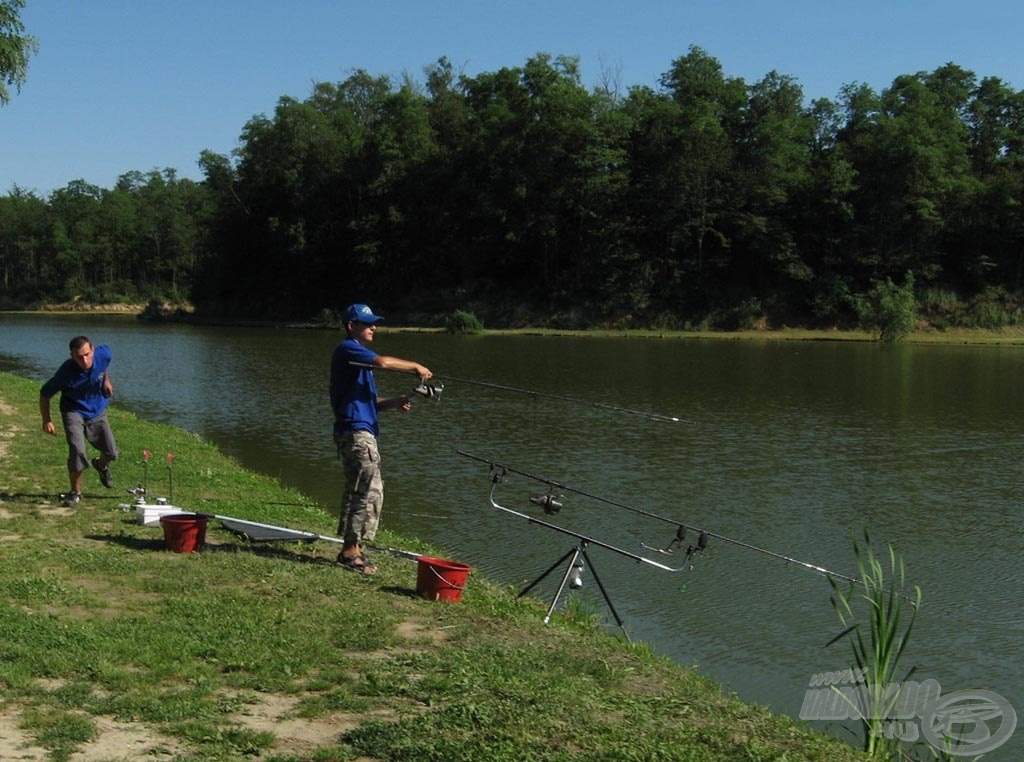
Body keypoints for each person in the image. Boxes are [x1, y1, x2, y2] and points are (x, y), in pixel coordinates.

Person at [330, 303, 432, 574]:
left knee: (362, 490)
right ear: (352, 326)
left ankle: (353, 548)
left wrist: (396, 402)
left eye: (374, 322)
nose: (373, 327)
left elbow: (369, 401)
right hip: (356, 434)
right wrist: (416, 367)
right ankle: (350, 552)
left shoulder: (357, 360)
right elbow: (383, 362)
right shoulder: (349, 348)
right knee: (366, 492)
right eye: (367, 323)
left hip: (356, 430)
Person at [39, 336, 119, 506]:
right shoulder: (66, 372)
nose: (84, 360)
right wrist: (47, 420)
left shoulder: (103, 354)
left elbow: (105, 364)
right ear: (72, 356)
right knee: (77, 451)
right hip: (73, 410)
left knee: (112, 453)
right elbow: (45, 394)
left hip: (97, 409)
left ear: (93, 349)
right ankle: (75, 492)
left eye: (87, 354)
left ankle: (101, 465)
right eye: (79, 357)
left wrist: (106, 380)